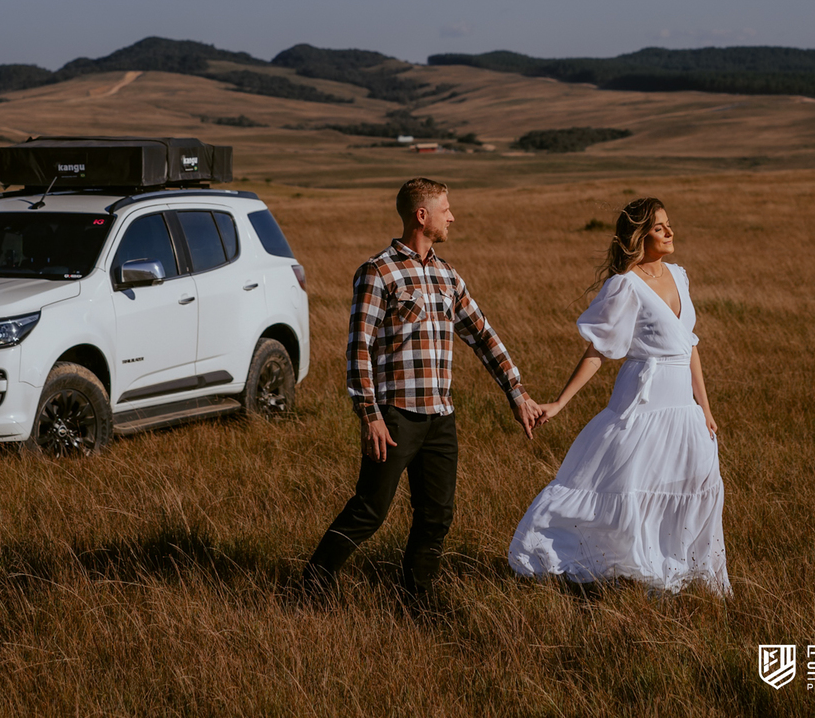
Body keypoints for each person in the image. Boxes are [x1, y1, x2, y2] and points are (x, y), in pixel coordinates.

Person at [304, 177, 543, 600]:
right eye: (445, 208)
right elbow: (358, 348)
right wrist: (370, 415)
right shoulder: (378, 272)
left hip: (440, 418)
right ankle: (312, 586)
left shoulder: (448, 275)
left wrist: (516, 391)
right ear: (422, 215)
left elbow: (483, 335)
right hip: (395, 417)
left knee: (436, 515)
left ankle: (419, 599)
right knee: (370, 510)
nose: (452, 216)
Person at [508, 197, 730, 595]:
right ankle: (606, 568)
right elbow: (598, 352)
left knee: (690, 488)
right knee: (627, 490)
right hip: (642, 406)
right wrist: (559, 403)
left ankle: (672, 578)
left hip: (684, 408)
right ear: (639, 236)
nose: (669, 232)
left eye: (668, 224)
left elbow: (690, 345)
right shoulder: (625, 285)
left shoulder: (680, 276)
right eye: (660, 227)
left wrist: (705, 410)